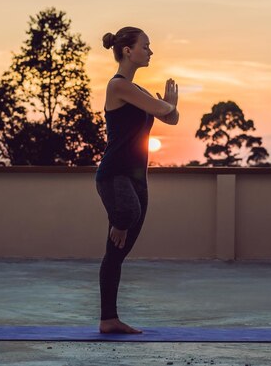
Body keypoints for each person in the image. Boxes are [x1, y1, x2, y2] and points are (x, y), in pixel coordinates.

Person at [95, 27, 179, 334]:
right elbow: (164, 110)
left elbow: (171, 118)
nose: (151, 51)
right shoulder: (118, 87)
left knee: (116, 252)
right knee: (126, 215)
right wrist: (167, 104)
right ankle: (119, 218)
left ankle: (108, 319)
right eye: (146, 46)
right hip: (114, 174)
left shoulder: (138, 90)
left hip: (137, 178)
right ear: (128, 51)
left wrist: (169, 106)